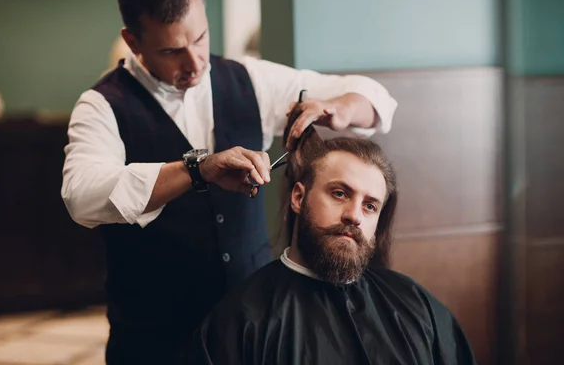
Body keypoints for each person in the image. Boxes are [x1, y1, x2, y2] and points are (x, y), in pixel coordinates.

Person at [60, 0, 397, 362]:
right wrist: (196, 170)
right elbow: (82, 196)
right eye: (171, 51)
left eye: (201, 38)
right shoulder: (101, 105)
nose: (195, 62)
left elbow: (372, 96)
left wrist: (336, 107)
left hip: (252, 328)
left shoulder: (248, 79)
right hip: (154, 335)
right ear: (133, 41)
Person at [180, 110, 476, 365]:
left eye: (369, 206)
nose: (354, 215)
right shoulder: (242, 322)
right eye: (339, 193)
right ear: (298, 197)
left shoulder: (416, 306)